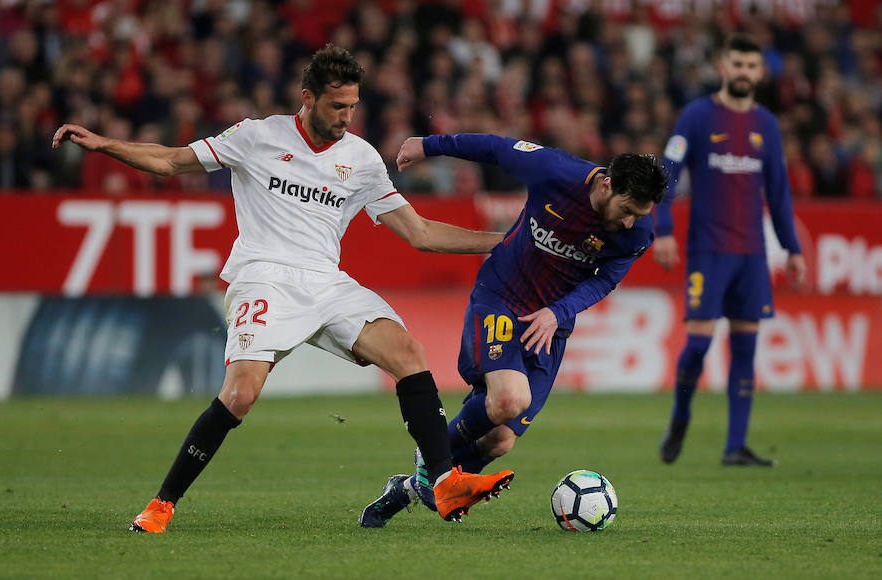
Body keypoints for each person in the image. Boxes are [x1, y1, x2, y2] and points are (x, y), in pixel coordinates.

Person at [52, 44, 515, 533]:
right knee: (240, 395)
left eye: (353, 106)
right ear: (307, 98)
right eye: (337, 106)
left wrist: (504, 243)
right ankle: (162, 504)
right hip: (263, 276)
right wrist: (106, 145)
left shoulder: (359, 158)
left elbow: (419, 233)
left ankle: (443, 482)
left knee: (409, 353)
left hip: (326, 282)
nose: (346, 117)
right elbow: (171, 161)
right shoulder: (257, 136)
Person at [358, 133, 667, 527]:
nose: (629, 221)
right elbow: (495, 148)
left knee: (500, 440)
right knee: (509, 400)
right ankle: (432, 459)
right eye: (626, 209)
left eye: (639, 214)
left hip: (549, 324)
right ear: (607, 183)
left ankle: (410, 488)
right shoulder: (556, 172)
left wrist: (558, 312)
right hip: (501, 298)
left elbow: (605, 279)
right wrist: (430, 146)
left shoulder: (637, 231)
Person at [654, 34, 807, 467]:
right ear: (723, 68)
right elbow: (668, 172)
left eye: (750, 66)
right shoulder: (698, 116)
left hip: (752, 255)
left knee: (746, 347)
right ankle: (681, 413)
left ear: (761, 73)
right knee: (699, 344)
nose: (743, 72)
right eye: (736, 64)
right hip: (709, 250)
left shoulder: (767, 125)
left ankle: (735, 446)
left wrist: (792, 248)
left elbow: (778, 194)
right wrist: (663, 229)